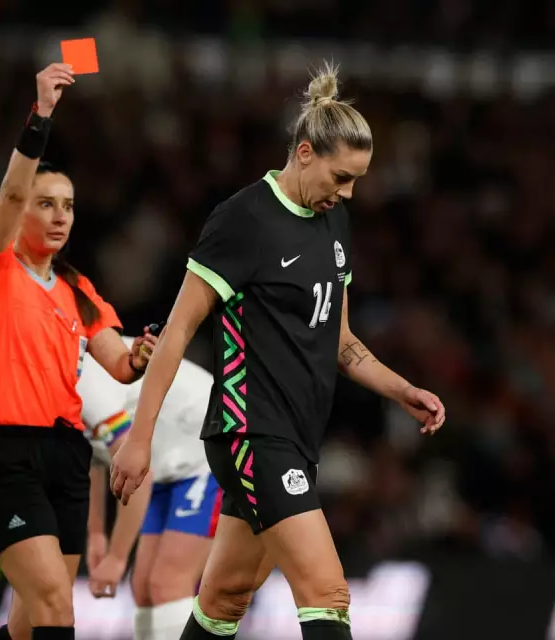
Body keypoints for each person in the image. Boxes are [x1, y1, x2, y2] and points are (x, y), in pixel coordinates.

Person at [110, 62, 447, 640]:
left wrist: (402, 390)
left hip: (297, 434)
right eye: (341, 177)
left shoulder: (334, 223)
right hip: (250, 431)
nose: (347, 194)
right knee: (327, 592)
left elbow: (339, 341)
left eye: (357, 181)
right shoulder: (243, 220)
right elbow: (177, 332)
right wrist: (138, 438)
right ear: (306, 152)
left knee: (225, 596)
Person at [0, 63, 158, 640]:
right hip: (6, 453)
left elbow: (120, 366)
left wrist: (142, 355)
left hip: (67, 457)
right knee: (54, 607)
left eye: (68, 206)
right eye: (45, 204)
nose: (59, 216)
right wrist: (41, 114)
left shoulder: (78, 289)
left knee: (33, 620)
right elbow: (12, 186)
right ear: (21, 210)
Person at [6, 333, 218, 640]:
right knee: (144, 587)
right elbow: (94, 455)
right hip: (164, 461)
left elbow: (134, 474)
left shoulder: (84, 383)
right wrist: (95, 535)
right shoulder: (58, 372)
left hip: (206, 449)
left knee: (167, 583)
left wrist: (117, 557)